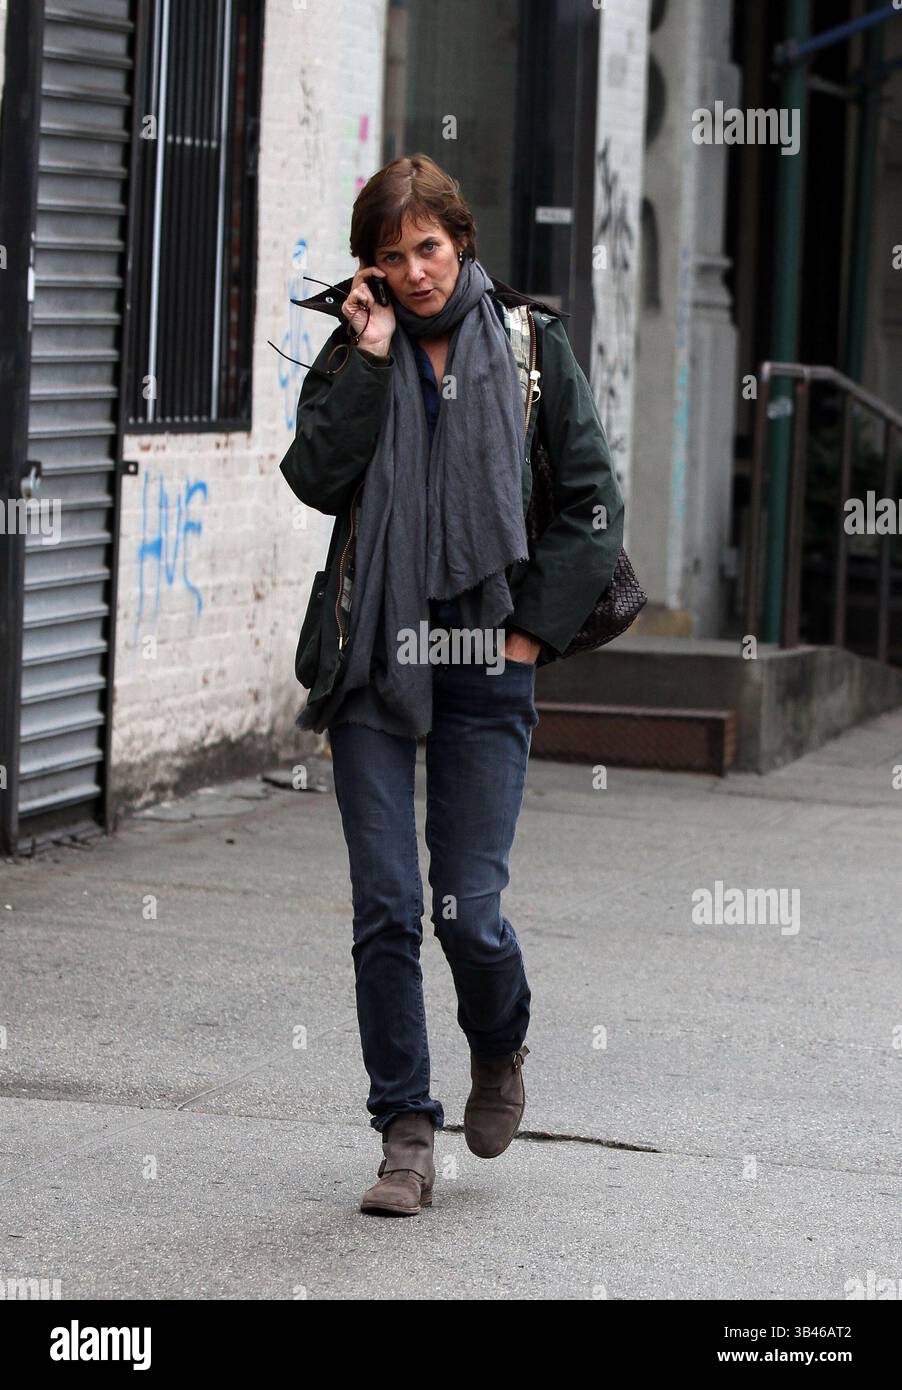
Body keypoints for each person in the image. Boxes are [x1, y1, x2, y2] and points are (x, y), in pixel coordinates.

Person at [279, 154, 624, 1216]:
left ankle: (499, 1044)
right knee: (386, 905)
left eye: (428, 247)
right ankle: (404, 1134)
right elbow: (314, 477)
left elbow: (588, 503)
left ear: (460, 243)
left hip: (486, 659)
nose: (415, 270)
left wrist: (523, 638)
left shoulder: (528, 345)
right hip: (375, 657)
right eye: (392, 255)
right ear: (370, 269)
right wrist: (371, 355)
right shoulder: (356, 352)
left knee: (464, 908)